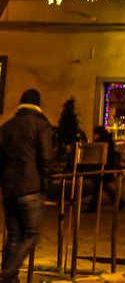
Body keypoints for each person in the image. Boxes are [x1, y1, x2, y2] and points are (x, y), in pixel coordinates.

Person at [0, 89, 56, 283]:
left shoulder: (6, 127)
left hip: (9, 189)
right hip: (30, 188)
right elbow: (46, 158)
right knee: (32, 234)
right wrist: (45, 183)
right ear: (38, 104)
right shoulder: (41, 125)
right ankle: (7, 274)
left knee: (14, 235)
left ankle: (10, 277)